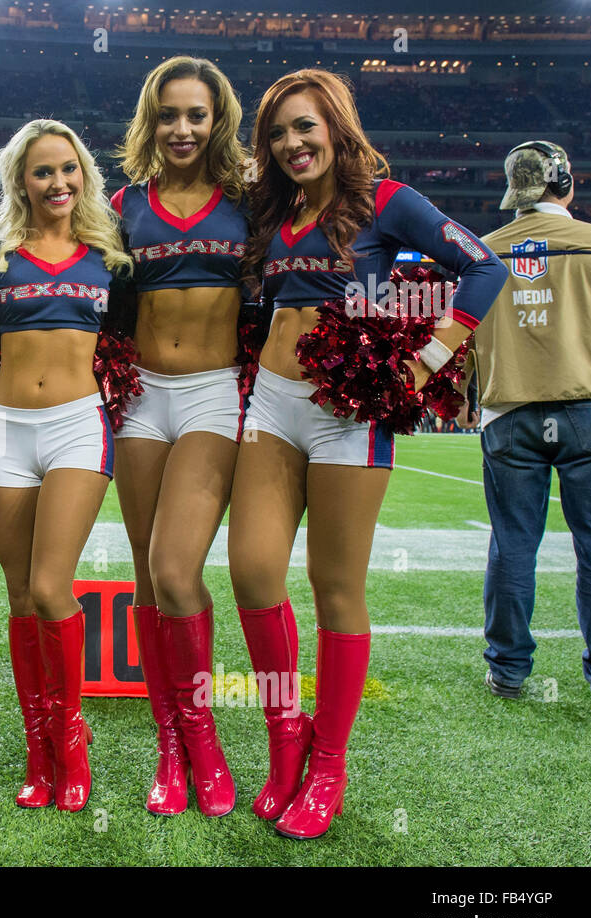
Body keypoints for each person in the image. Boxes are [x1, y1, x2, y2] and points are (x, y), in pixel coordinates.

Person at [231, 69, 506, 839]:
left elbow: (484, 265)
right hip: (271, 406)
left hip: (348, 414)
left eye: (306, 127)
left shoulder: (388, 203)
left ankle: (328, 766)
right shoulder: (272, 213)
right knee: (253, 572)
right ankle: (286, 742)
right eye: (279, 132)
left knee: (334, 587)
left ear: (337, 129)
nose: (292, 143)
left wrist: (422, 362)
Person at [0, 119, 133, 813]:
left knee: (48, 586)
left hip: (76, 427)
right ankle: (37, 751)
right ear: (21, 181)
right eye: (42, 172)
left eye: (68, 169)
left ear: (84, 175)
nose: (57, 183)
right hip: (4, 428)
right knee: (17, 596)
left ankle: (71, 738)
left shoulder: (112, 257)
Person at [110, 55, 249, 818]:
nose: (183, 128)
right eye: (169, 115)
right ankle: (169, 743)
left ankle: (204, 737)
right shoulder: (123, 204)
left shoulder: (250, 200)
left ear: (217, 119)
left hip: (212, 395)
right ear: (151, 122)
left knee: (174, 568)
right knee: (142, 573)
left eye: (196, 115)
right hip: (138, 398)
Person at [466, 141, 591, 708]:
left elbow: (463, 336)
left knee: (513, 544)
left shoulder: (480, 254)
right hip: (590, 410)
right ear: (566, 184)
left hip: (509, 412)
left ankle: (509, 671)